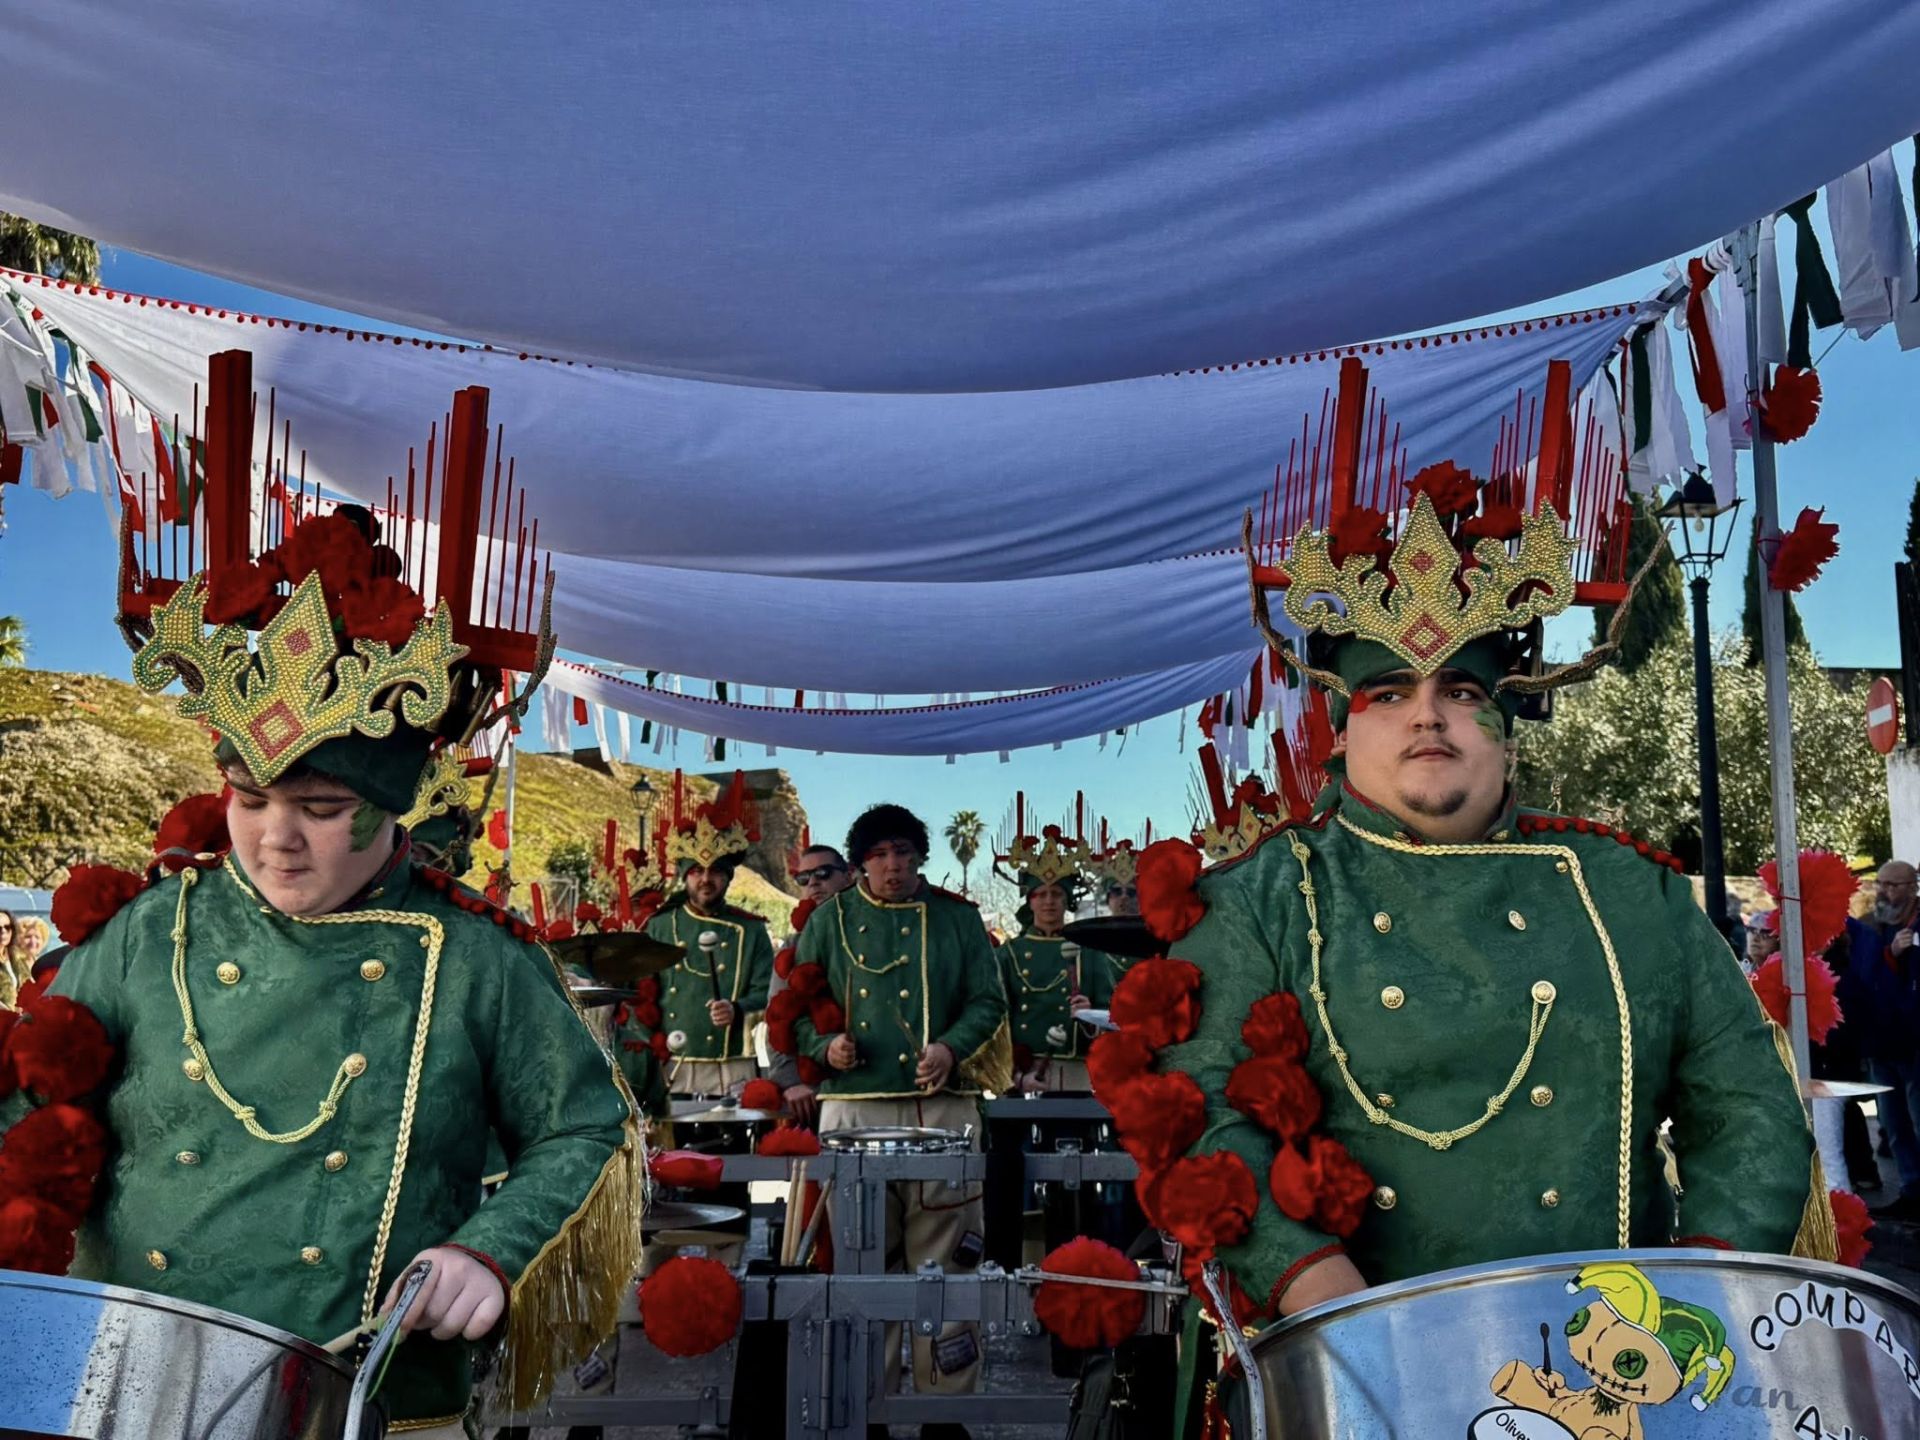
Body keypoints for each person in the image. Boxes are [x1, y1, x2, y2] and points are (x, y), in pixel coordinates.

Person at [1137, 484, 1825, 1430]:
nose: (1429, 718)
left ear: (1506, 726)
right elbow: (1209, 1120)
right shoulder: (1256, 897)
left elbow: (1747, 1109)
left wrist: (1677, 1315)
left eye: (1461, 691)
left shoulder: (1633, 892)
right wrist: (1334, 1304)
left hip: (1612, 1383)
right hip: (1357, 1375)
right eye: (1391, 692)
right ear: (1344, 728)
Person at [20, 501, 641, 1437]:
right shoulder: (149, 932)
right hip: (135, 1386)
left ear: (392, 805)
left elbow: (587, 1131)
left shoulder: (479, 957)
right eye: (251, 797)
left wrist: (489, 1252)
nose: (276, 838)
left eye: (319, 805)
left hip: (372, 1399)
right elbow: (29, 1110)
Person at [788, 803, 1010, 1435]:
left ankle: (946, 1407)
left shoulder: (958, 920)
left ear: (920, 858)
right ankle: (870, 1408)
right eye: (882, 855)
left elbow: (988, 999)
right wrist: (823, 1048)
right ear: (861, 862)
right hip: (853, 1111)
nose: (895, 867)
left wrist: (951, 1047)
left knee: (949, 1265)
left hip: (943, 1108)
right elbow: (798, 1011)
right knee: (863, 1268)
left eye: (906, 854)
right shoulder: (826, 922)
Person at [642, 771, 775, 1098]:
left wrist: (738, 1009)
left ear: (728, 878)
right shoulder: (660, 926)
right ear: (685, 877)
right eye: (697, 871)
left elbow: (770, 996)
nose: (705, 879)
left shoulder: (751, 929)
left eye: (715, 870)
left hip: (732, 1063)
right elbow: (642, 999)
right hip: (676, 1062)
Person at [994, 828, 1094, 1093]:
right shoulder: (1009, 954)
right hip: (1023, 1072)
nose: (1049, 901)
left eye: (1057, 894)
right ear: (1030, 901)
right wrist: (1010, 1072)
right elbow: (994, 1015)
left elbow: (1113, 1013)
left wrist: (1089, 1017)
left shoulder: (1091, 952)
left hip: (1077, 1071)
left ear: (1067, 900)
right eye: (1041, 894)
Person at [767, 843, 856, 1123]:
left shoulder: (869, 935)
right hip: (816, 1087)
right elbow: (779, 1017)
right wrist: (790, 1080)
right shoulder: (793, 946)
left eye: (823, 873)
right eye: (803, 879)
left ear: (849, 875)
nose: (813, 882)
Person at [1865, 860, 1920, 1217]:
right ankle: (1911, 1190)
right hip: (1881, 1041)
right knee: (1894, 1124)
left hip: (1915, 1042)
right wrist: (1891, 954)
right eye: (1881, 883)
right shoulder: (1874, 928)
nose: (1885, 891)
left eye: (1894, 885)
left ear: (1913, 887)